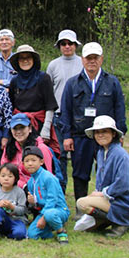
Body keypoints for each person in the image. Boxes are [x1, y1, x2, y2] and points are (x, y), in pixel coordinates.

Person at [60, 42, 127, 207]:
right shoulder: (72, 83)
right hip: (80, 135)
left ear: (101, 59)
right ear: (82, 60)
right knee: (80, 173)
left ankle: (104, 205)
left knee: (106, 172)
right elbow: (66, 111)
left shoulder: (112, 82)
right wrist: (67, 136)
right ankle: (80, 206)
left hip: (106, 136)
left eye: (95, 58)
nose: (92, 61)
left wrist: (121, 133)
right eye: (88, 58)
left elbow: (119, 108)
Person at [75, 115, 129, 237]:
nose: (100, 135)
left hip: (122, 202)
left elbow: (124, 184)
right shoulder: (101, 152)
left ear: (113, 134)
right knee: (80, 227)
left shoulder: (121, 155)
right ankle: (106, 221)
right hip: (110, 198)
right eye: (97, 132)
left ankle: (122, 222)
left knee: (82, 203)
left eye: (104, 131)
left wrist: (102, 193)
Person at [46, 29, 84, 189]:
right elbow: (48, 92)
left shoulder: (83, 62)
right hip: (59, 116)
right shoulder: (53, 65)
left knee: (80, 156)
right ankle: (61, 189)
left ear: (75, 45)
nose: (67, 46)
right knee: (60, 154)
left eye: (70, 43)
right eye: (63, 44)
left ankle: (80, 191)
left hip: (80, 116)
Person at [8, 44, 59, 153]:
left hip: (39, 125)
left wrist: (46, 129)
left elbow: (50, 105)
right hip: (19, 126)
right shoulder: (15, 81)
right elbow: (11, 106)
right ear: (17, 61)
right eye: (22, 58)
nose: (25, 61)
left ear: (33, 60)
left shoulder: (43, 78)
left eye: (28, 58)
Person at [1, 113, 61, 191]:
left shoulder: (41, 148)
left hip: (39, 190)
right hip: (14, 188)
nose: (18, 132)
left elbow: (48, 177)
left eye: (22, 128)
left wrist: (29, 187)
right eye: (15, 128)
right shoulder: (9, 147)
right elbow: (4, 171)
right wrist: (22, 185)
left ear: (30, 128)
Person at [23, 146, 69, 244]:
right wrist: (33, 203)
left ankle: (61, 232)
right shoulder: (31, 182)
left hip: (58, 210)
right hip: (44, 212)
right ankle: (51, 229)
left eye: (33, 160)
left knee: (49, 214)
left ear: (41, 162)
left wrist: (43, 217)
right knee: (32, 235)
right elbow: (38, 205)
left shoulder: (49, 177)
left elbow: (53, 200)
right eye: (26, 161)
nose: (30, 163)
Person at [0, 163, 28, 244]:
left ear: (15, 178)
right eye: (3, 176)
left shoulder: (19, 192)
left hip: (17, 220)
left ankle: (9, 234)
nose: (6, 179)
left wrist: (12, 207)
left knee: (19, 234)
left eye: (10, 176)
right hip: (2, 221)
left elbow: (23, 210)